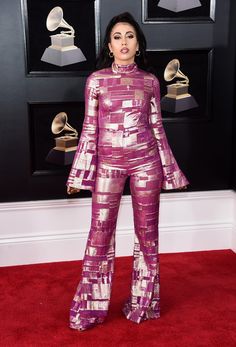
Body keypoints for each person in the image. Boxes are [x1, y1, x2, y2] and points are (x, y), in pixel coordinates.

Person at [67, 12, 189, 331]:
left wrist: (170, 171)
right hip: (108, 165)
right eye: (118, 37)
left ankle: (143, 304)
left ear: (138, 44)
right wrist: (79, 174)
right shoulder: (96, 81)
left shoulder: (150, 81)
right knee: (99, 235)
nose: (124, 42)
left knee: (147, 236)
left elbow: (157, 128)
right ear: (109, 45)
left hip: (146, 164)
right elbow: (90, 129)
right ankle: (90, 309)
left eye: (130, 36)